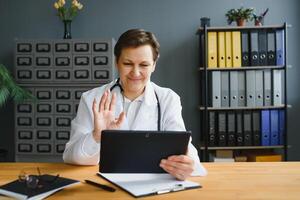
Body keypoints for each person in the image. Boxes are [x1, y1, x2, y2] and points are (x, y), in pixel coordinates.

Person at [63, 29, 207, 180]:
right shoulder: (92, 98)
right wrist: (97, 136)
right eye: (127, 63)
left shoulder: (168, 99)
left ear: (154, 65)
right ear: (116, 62)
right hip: (105, 187)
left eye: (144, 65)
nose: (135, 73)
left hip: (152, 187)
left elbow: (184, 147)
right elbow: (70, 156)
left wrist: (187, 164)